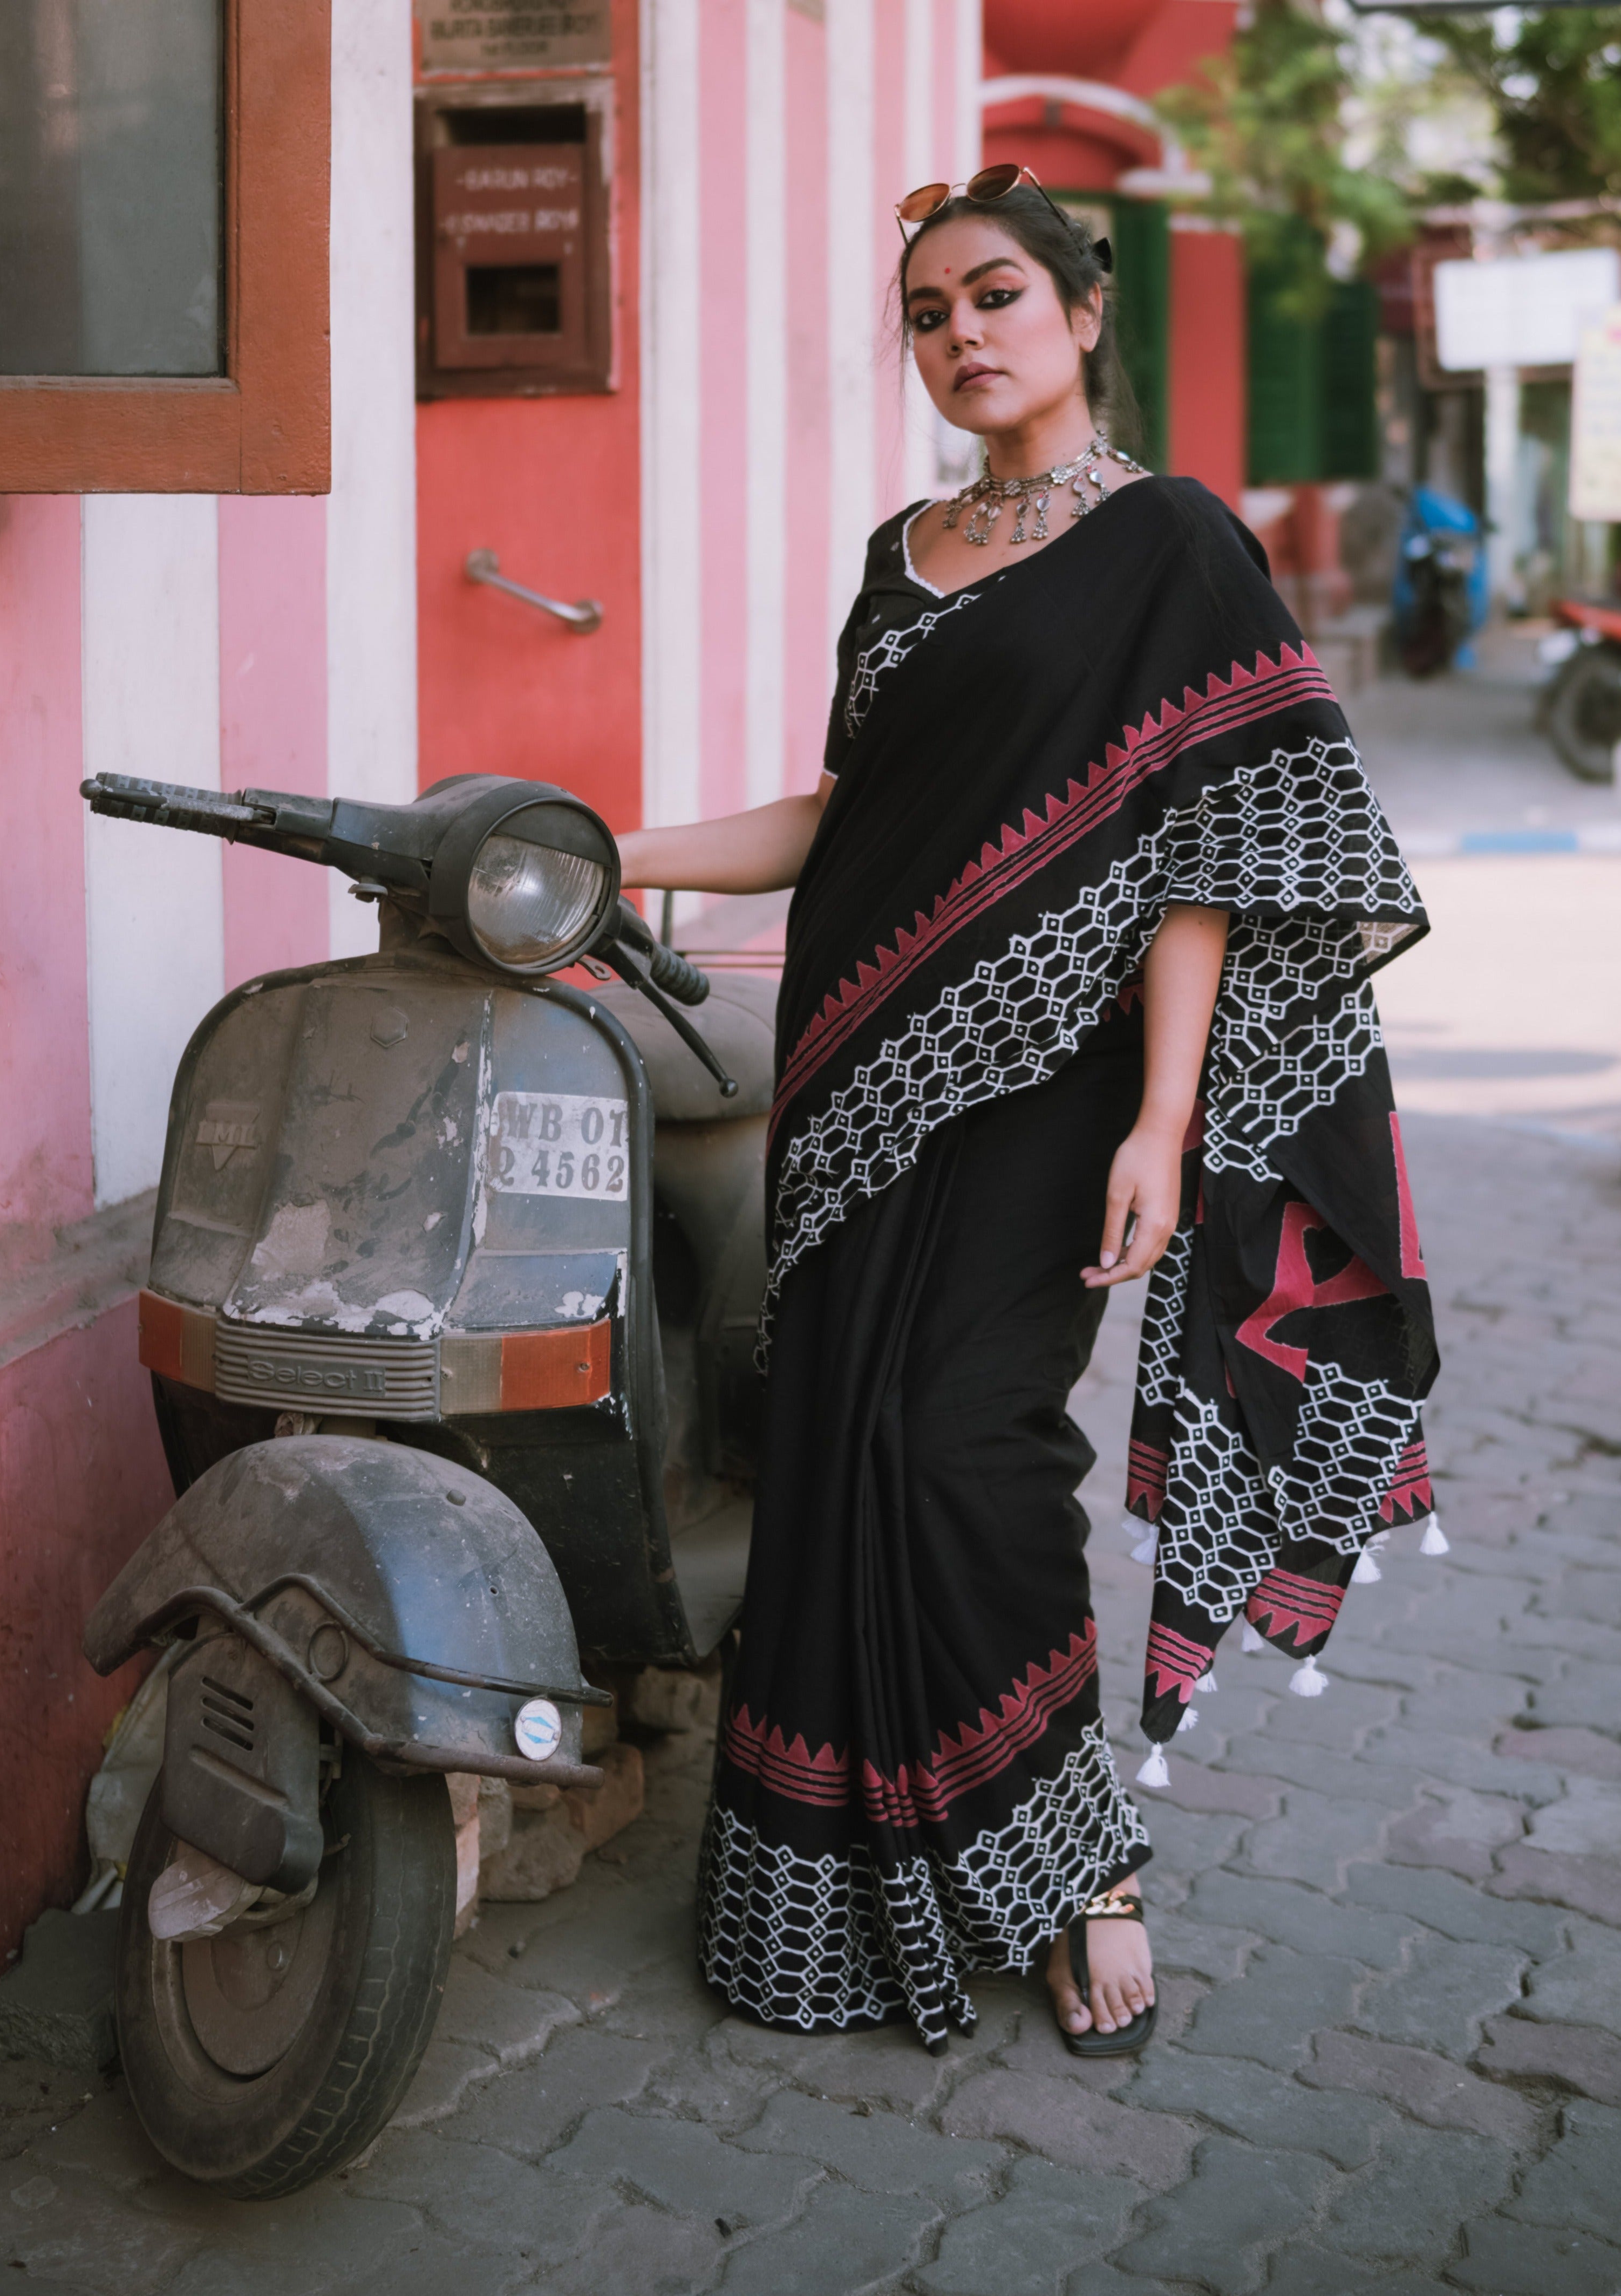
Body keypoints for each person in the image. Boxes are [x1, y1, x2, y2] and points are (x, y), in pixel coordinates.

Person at [617, 167, 1438, 2057]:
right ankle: (852, 1874)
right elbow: (833, 821)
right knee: (838, 1448)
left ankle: (1086, 1871)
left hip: (1049, 1092)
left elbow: (1199, 860)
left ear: (1081, 314)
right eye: (926, 313)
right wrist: (595, 846)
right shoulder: (905, 555)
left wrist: (1162, 1123)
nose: (962, 334)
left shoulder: (1170, 546)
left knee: (963, 1446)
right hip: (851, 1078)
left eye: (995, 295)